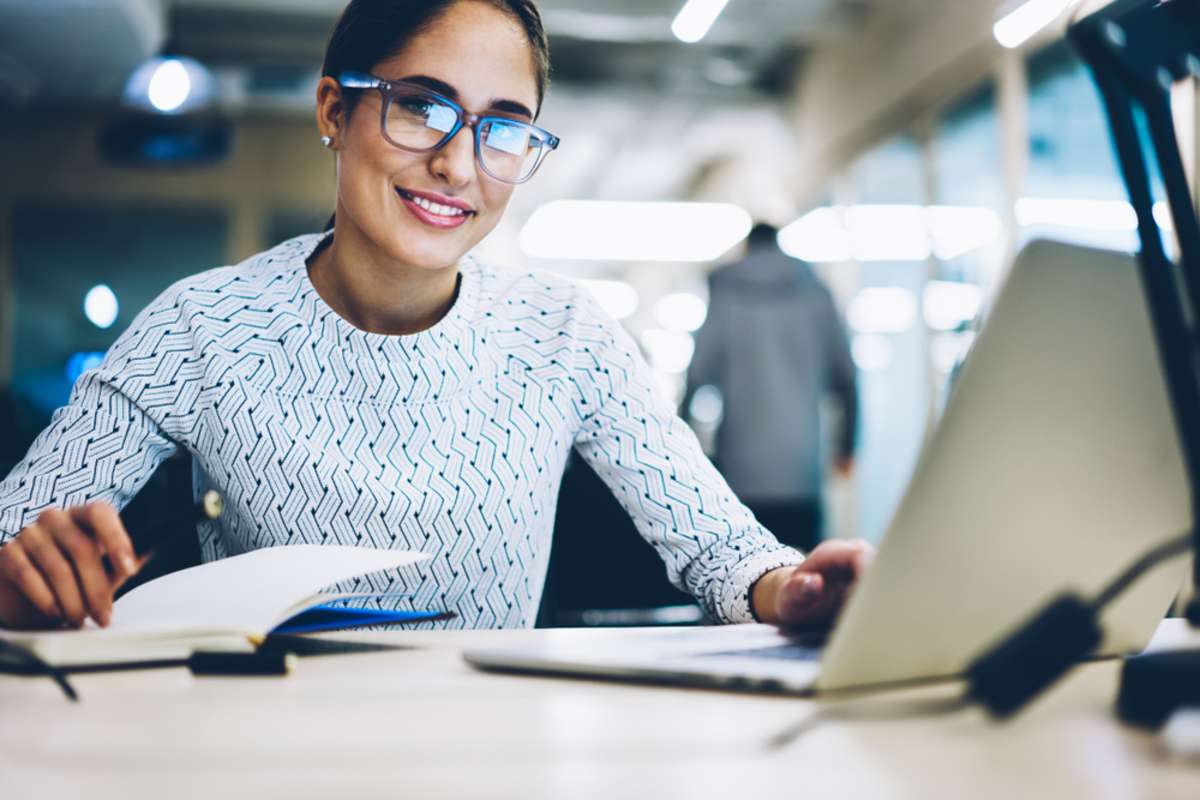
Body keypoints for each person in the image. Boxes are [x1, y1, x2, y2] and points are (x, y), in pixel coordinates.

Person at [0, 0, 872, 632]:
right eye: (421, 105)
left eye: (504, 127)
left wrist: (789, 588)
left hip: (490, 756)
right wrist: (26, 575)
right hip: (262, 752)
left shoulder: (562, 335)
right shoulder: (203, 327)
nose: (459, 163)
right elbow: (14, 539)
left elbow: (722, 549)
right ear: (334, 110)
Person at [686, 222, 857, 553]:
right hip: (802, 469)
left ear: (748, 248)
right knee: (803, 578)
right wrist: (847, 447)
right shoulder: (816, 292)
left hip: (739, 473)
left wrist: (689, 452)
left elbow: (697, 377)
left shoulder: (726, 291)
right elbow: (846, 380)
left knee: (743, 577)